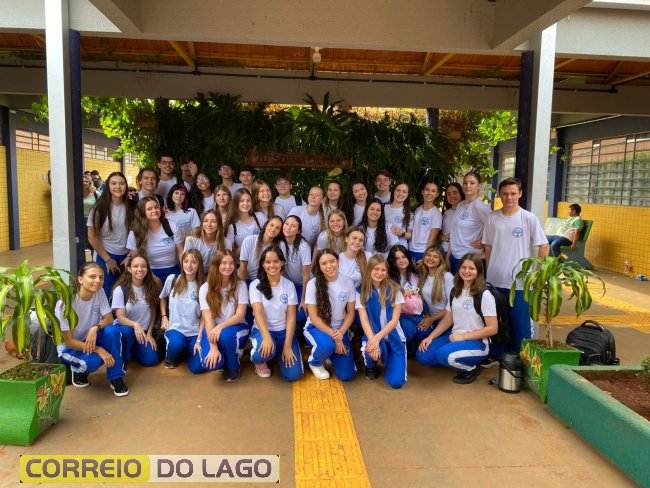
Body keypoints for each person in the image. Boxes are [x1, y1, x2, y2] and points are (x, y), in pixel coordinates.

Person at [483, 177, 549, 353]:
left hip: (520, 283)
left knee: (521, 327)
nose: (509, 197)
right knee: (496, 325)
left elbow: (544, 246)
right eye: (505, 194)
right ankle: (498, 358)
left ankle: (522, 361)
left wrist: (537, 275)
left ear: (520, 194)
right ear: (499, 195)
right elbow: (488, 246)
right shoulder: (491, 218)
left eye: (513, 193)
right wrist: (489, 271)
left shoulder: (528, 218)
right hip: (495, 282)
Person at [416, 254, 497, 384]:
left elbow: (493, 328)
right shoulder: (455, 291)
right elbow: (447, 320)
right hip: (455, 336)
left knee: (443, 355)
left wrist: (463, 337)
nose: (466, 271)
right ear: (459, 269)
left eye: (471, 268)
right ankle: (453, 357)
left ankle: (472, 368)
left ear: (479, 271)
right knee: (423, 356)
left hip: (477, 342)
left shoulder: (484, 294)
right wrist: (430, 337)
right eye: (463, 267)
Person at [56, 262, 129, 396]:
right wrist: (99, 349)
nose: (98, 281)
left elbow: (109, 319)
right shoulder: (65, 302)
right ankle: (78, 372)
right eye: (92, 276)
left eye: (101, 277)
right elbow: (69, 342)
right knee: (94, 361)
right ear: (80, 279)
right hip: (70, 347)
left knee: (112, 331)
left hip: (91, 337)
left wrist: (94, 328)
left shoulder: (99, 292)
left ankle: (116, 377)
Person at [160, 249, 221, 373]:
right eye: (186, 261)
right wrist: (164, 316)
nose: (189, 265)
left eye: (193, 262)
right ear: (182, 263)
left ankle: (187, 352)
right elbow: (162, 298)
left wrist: (199, 338)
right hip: (175, 329)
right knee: (176, 344)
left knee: (197, 368)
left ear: (199, 265)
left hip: (194, 332)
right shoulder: (172, 279)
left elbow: (205, 315)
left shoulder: (204, 286)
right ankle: (173, 356)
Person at [249, 246, 304, 381]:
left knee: (293, 375)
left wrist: (287, 346)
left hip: (284, 332)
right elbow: (258, 313)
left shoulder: (289, 285)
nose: (272, 265)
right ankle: (260, 362)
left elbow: (291, 318)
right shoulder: (255, 285)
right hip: (263, 331)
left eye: (276, 261)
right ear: (263, 264)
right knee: (262, 353)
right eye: (268, 262)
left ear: (282, 263)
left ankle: (278, 350)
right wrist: (266, 337)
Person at [303, 249, 357, 381]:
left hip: (340, 328)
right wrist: (336, 338)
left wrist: (341, 332)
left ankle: (330, 354)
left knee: (346, 375)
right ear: (319, 266)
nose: (329, 266)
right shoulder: (312, 284)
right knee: (327, 346)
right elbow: (314, 317)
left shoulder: (348, 282)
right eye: (324, 263)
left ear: (338, 261)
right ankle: (315, 362)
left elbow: (351, 312)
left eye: (332, 261)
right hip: (317, 327)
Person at [356, 255, 407, 389]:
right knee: (370, 351)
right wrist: (373, 340)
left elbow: (394, 320)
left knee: (396, 382)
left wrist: (376, 339)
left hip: (393, 336)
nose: (379, 273)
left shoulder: (395, 290)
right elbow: (364, 319)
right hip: (373, 333)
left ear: (387, 272)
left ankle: (389, 359)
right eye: (376, 269)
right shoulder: (361, 291)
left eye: (383, 270)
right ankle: (371, 365)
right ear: (369, 270)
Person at [200, 250, 249, 382]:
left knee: (226, 335)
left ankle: (233, 367)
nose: (228, 266)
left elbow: (240, 315)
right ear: (216, 265)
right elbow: (208, 319)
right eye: (224, 263)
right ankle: (226, 351)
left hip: (237, 326)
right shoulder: (205, 288)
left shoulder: (241, 285)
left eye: (231, 263)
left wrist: (219, 327)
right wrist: (213, 348)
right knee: (210, 364)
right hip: (213, 329)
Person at [87, 171, 134, 298]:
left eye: (121, 183)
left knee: (126, 293)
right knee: (107, 293)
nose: (118, 187)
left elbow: (137, 233)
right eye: (113, 183)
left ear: (126, 186)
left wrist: (130, 256)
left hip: (126, 256)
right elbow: (92, 236)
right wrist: (108, 260)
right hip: (106, 255)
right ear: (108, 185)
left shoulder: (132, 207)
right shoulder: (99, 208)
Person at [111, 254, 160, 367]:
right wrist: (135, 324)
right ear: (129, 269)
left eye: (143, 266)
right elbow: (120, 318)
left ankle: (133, 349)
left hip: (143, 332)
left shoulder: (151, 287)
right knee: (127, 333)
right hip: (126, 329)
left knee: (151, 360)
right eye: (135, 266)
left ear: (147, 269)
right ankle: (124, 355)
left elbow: (152, 312)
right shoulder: (121, 289)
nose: (140, 269)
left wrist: (149, 333)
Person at [127, 196, 184, 284]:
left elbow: (181, 252)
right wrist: (151, 276)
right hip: (148, 271)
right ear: (142, 212)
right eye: (149, 209)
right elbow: (134, 258)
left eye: (156, 207)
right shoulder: (135, 232)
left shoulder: (172, 226)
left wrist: (184, 273)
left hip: (173, 269)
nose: (154, 210)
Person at [448, 171, 491, 274]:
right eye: (465, 183)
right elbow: (454, 234)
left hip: (470, 261)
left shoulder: (480, 207)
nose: (468, 186)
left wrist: (484, 245)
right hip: (455, 257)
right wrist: (447, 257)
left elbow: (497, 230)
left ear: (479, 186)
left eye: (472, 183)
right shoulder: (460, 205)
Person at [416, 245, 454, 347]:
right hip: (429, 316)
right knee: (418, 333)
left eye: (435, 256)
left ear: (441, 260)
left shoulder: (447, 277)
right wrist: (428, 316)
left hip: (444, 319)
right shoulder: (423, 275)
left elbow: (453, 306)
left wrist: (432, 319)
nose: (431, 258)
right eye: (428, 255)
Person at [387, 244, 420, 351]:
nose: (401, 260)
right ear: (392, 261)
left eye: (404, 257)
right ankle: (400, 350)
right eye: (397, 258)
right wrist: (401, 292)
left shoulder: (415, 275)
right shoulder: (388, 277)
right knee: (407, 328)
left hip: (413, 312)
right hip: (396, 313)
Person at [279, 215, 312, 325]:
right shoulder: (280, 243)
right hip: (288, 285)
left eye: (293, 226)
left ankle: (299, 331)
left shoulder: (304, 247)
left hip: (302, 285)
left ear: (298, 230)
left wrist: (304, 300)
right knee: (283, 311)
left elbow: (306, 275)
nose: (288, 227)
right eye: (286, 224)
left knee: (301, 313)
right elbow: (280, 270)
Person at [224, 188, 267, 260]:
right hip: (242, 263)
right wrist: (246, 245)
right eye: (242, 201)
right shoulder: (232, 226)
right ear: (236, 203)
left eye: (248, 201)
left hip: (262, 261)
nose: (245, 204)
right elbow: (230, 254)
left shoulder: (259, 217)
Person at [239, 216, 284, 283]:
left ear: (279, 232)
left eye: (277, 228)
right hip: (247, 278)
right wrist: (242, 285)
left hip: (267, 281)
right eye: (272, 225)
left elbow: (281, 269)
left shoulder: (281, 245)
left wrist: (275, 285)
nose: (273, 229)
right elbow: (243, 265)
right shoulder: (249, 240)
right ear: (266, 225)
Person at [409, 180, 443, 263]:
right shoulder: (417, 209)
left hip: (422, 251)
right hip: (410, 249)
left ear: (437, 194)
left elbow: (432, 239)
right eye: (427, 190)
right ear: (422, 192)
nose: (429, 193)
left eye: (433, 191)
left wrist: (426, 257)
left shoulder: (436, 214)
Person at [384, 182, 413, 248]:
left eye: (404, 192)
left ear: (407, 194)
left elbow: (410, 235)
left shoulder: (409, 213)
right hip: (383, 247)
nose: (400, 194)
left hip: (401, 249)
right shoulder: (384, 207)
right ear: (393, 191)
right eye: (398, 190)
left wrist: (401, 233)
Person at [440, 182, 464, 254]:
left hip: (461, 251)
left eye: (455, 193)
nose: (452, 196)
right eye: (449, 194)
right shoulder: (446, 213)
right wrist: (442, 237)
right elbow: (439, 232)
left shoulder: (467, 212)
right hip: (444, 250)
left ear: (461, 193)